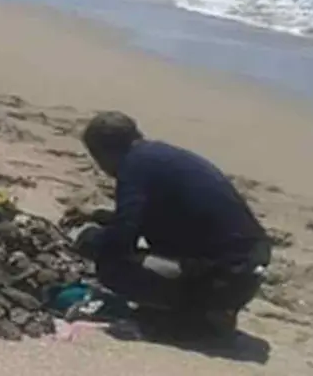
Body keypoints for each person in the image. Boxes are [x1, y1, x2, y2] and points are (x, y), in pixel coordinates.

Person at [72, 111, 271, 339]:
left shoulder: (133, 167)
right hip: (246, 269)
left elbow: (122, 238)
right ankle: (212, 308)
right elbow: (147, 219)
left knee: (111, 263)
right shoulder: (159, 157)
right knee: (146, 250)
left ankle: (193, 321)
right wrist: (97, 215)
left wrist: (91, 240)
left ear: (104, 154)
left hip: (224, 278)